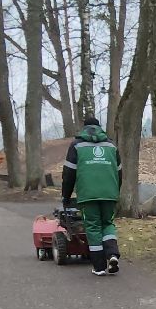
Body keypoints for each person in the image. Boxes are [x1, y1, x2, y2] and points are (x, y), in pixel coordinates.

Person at [62, 116, 121, 275]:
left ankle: (99, 267)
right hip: (109, 193)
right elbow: (119, 172)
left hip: (88, 195)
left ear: (84, 127)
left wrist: (65, 197)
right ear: (99, 127)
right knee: (108, 223)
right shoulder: (111, 145)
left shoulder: (77, 145)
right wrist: (115, 192)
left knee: (93, 227)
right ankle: (113, 254)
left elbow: (69, 174)